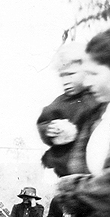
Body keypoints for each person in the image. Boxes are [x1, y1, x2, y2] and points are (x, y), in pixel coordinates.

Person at [54, 28, 110, 217]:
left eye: (93, 73)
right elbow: (77, 165)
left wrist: (70, 189)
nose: (85, 82)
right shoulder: (101, 115)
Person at [37, 42, 102, 177]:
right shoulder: (61, 102)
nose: (65, 80)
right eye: (62, 75)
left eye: (71, 74)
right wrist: (51, 130)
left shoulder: (98, 96)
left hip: (93, 163)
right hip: (67, 169)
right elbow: (43, 122)